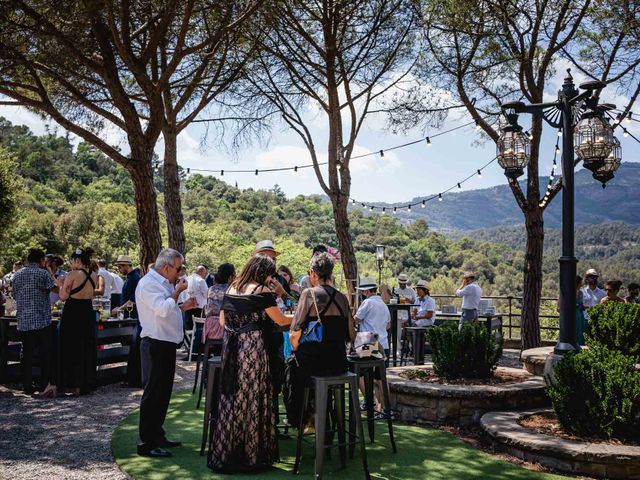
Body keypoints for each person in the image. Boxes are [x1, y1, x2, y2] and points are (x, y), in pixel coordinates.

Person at [208, 254, 291, 473]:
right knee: (253, 398)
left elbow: (224, 321)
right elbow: (281, 320)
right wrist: (302, 316)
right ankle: (252, 456)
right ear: (264, 273)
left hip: (231, 349)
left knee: (233, 399)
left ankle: (231, 451)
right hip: (252, 349)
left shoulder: (231, 288)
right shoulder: (260, 291)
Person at [135, 249, 197, 458]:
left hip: (166, 342)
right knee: (153, 394)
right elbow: (161, 309)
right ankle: (145, 442)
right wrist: (178, 293)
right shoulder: (148, 284)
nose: (180, 273)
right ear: (167, 267)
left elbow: (167, 310)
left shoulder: (164, 283)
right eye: (178, 268)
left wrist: (182, 306)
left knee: (163, 394)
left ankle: (157, 434)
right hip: (155, 343)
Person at [287, 252, 355, 429]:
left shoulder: (309, 294)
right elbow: (351, 334)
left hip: (313, 362)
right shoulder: (342, 298)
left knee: (292, 370)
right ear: (331, 273)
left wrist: (296, 349)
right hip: (338, 362)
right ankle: (323, 417)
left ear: (313, 274)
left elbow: (294, 330)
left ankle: (301, 419)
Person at [12, 248, 59, 396]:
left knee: (26, 353)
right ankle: (44, 384)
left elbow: (14, 294)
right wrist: (49, 271)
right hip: (41, 320)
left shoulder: (16, 275)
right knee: (45, 353)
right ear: (41, 260)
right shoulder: (43, 273)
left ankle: (26, 385)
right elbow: (57, 290)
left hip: (23, 320)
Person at [58, 247, 99, 395]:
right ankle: (86, 383)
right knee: (85, 347)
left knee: (70, 346)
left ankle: (72, 384)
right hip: (87, 311)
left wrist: (60, 284)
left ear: (76, 260)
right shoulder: (94, 275)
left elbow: (63, 296)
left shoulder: (72, 274)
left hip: (72, 312)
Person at [355, 277, 391, 412]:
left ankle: (369, 402)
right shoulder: (383, 304)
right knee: (382, 378)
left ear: (365, 291)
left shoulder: (367, 303)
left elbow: (356, 320)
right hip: (383, 342)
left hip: (367, 340)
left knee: (359, 374)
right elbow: (388, 325)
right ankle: (387, 409)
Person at [114, 254, 143, 387]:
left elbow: (133, 299)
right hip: (131, 316)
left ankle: (134, 378)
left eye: (120, 267)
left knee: (134, 348)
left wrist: (119, 309)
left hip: (134, 316)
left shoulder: (134, 279)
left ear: (126, 266)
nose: (119, 269)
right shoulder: (131, 278)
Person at [203, 263, 235, 347]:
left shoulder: (211, 289)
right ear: (231, 277)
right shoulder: (231, 290)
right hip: (223, 328)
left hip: (209, 328)